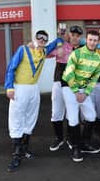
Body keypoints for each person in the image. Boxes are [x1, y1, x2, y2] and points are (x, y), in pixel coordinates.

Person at [4, 30, 63, 172]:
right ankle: (16, 156)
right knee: (16, 119)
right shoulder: (23, 49)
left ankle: (24, 150)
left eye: (45, 38)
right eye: (39, 37)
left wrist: (60, 40)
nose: (42, 40)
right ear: (34, 38)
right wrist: (9, 87)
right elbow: (11, 68)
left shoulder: (43, 51)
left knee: (30, 119)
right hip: (20, 88)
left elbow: (57, 42)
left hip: (33, 89)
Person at [62, 30, 100, 162]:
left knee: (91, 116)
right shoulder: (77, 53)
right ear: (87, 39)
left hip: (84, 90)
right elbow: (68, 74)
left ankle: (84, 143)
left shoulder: (98, 57)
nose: (92, 42)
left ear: (98, 41)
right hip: (70, 88)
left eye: (95, 40)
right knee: (73, 119)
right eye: (90, 40)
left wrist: (86, 93)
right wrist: (76, 91)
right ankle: (76, 148)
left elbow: (94, 78)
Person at [49, 25, 84, 152]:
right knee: (56, 112)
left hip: (73, 84)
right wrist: (57, 45)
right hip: (58, 81)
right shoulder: (62, 45)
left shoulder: (83, 49)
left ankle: (70, 138)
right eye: (72, 35)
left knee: (71, 112)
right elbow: (46, 54)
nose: (74, 37)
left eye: (77, 35)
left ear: (80, 37)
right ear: (69, 34)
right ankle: (59, 138)